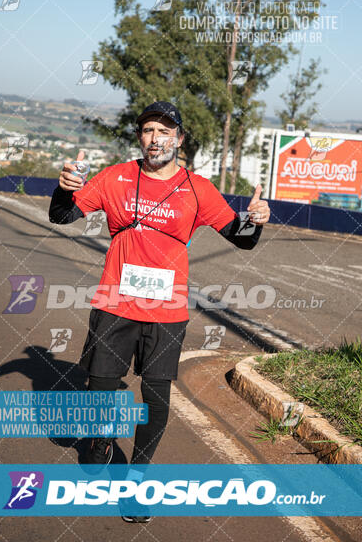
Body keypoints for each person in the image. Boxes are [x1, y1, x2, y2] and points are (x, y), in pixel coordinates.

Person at [49, 101, 270, 523]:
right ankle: (100, 440)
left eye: (166, 131)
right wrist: (63, 187)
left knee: (154, 397)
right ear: (140, 137)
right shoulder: (115, 177)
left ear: (179, 139)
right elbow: (61, 215)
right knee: (100, 392)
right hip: (115, 306)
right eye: (149, 130)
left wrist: (256, 220)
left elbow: (241, 239)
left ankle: (137, 480)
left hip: (167, 313)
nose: (157, 138)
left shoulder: (198, 188)